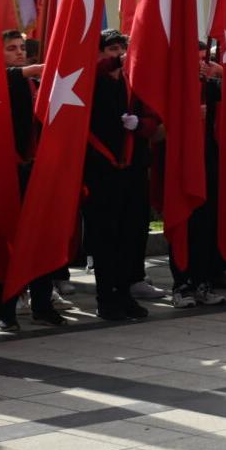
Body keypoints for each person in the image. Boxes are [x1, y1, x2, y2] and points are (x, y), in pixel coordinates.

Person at [84, 31, 156, 321]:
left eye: (123, 49)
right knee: (104, 238)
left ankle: (125, 295)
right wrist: (112, 65)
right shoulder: (92, 80)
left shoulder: (133, 83)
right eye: (113, 49)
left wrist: (141, 124)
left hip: (133, 170)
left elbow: (153, 119)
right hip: (100, 171)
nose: (119, 55)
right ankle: (106, 298)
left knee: (130, 236)